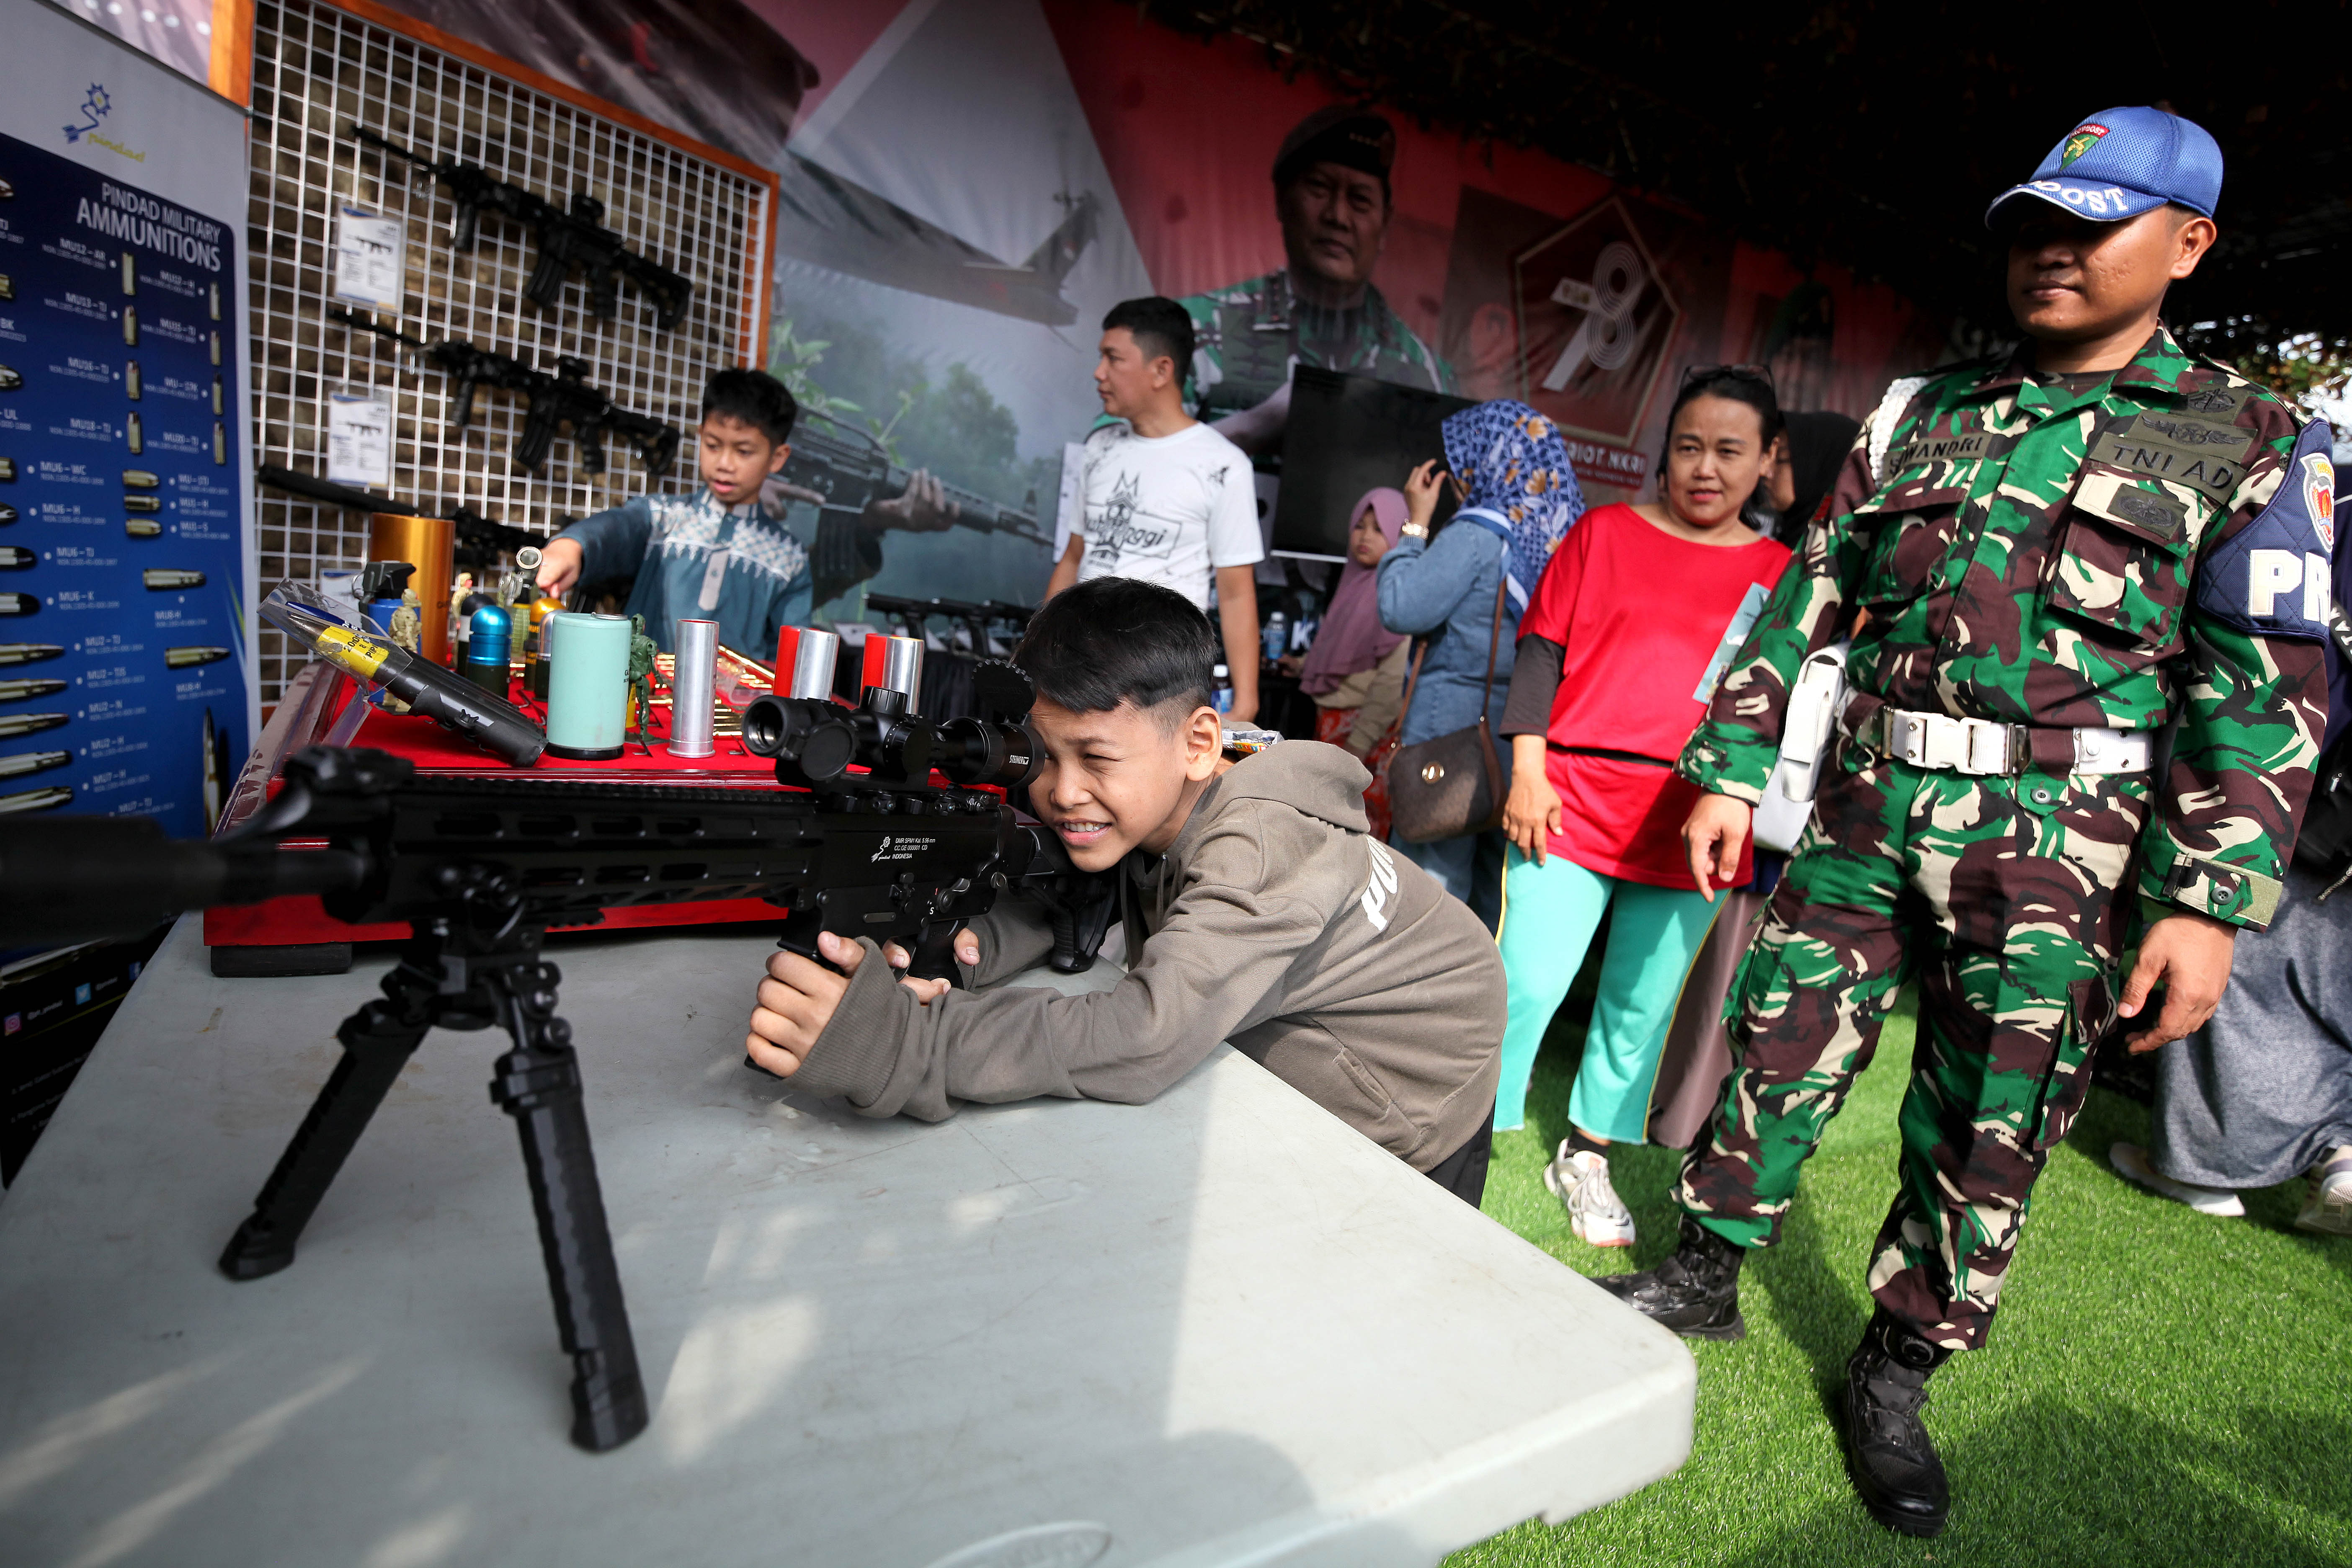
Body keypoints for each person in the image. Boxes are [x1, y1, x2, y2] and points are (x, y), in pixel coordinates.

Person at [1598, 107, 2335, 1539]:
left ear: (2187, 245)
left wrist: (2202, 903)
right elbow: (1809, 587)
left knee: (1990, 1113)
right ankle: (1703, 1266)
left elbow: (2263, 684)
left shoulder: (2245, 439)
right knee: (1777, 1038)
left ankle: (1895, 1366)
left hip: (2067, 839)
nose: (2051, 249)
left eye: (2095, 223)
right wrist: (1730, 762)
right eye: (2034, 223)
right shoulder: (1917, 413)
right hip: (1873, 795)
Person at [740, 576, 1507, 1202]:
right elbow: (1075, 892)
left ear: (1199, 742)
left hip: (1409, 1102)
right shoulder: (1161, 798)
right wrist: (959, 946)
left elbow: (1146, 1034)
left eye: (1097, 758)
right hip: (1302, 1054)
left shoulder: (1263, 845)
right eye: (1042, 758)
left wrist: (905, 1042)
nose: (1063, 791)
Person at [1493, 368, 1792, 1250]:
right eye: (1689, 446)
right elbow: (1541, 655)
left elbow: (1782, 705)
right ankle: (1466, 1121)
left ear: (1769, 460)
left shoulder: (1784, 574)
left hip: (1696, 821)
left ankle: (1586, 1156)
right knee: (1526, 979)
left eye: (1730, 451)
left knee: (1640, 1006)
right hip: (1569, 797)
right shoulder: (1602, 534)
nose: (1705, 468)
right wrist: (1526, 769)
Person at [2112, 526, 2352, 1233]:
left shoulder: (2329, 494)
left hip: (2295, 782)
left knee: (2233, 956)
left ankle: (2201, 1164)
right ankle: (2341, 1152)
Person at [1647, 408, 1864, 1153]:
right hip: (1764, 800)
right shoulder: (1805, 555)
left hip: (1778, 807)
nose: (1770, 471)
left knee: (1734, 971)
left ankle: (1684, 1116)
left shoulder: (1822, 567)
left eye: (1779, 457)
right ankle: (1684, 1112)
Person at [1376, 399, 1583, 931]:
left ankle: (1411, 1002)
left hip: (1452, 732)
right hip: (1524, 739)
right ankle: (1478, 1001)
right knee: (1497, 891)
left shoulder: (1479, 533)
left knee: (1430, 880)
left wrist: (1416, 526)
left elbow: (1402, 606)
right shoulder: (1563, 534)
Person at [1181, 105, 1455, 456]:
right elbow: (1113, 474)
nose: (1338, 216)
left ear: (1385, 224)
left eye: (1360, 200)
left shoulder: (1428, 375)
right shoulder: (1192, 331)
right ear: (1282, 198)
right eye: (1319, 188)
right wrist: (1255, 427)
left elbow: (1437, 507)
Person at [1048, 297, 1266, 722]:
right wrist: (1038, 652)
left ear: (1162, 370)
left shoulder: (1224, 466)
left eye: (1113, 358)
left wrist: (1247, 702)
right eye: (1100, 358)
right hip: (1077, 671)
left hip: (1159, 679)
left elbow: (1237, 592)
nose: (1099, 373)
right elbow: (1073, 558)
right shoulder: (1099, 448)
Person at [535, 369, 811, 655]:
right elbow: (620, 526)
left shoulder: (788, 557)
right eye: (713, 445)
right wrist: (571, 546)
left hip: (735, 700)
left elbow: (792, 657)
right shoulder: (663, 518)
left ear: (777, 457)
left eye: (743, 452)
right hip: (644, 693)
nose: (725, 464)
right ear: (701, 435)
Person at [1294, 487, 1411, 837]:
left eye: (1380, 529)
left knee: (1355, 838)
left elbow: (1390, 685)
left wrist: (1359, 744)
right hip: (1332, 728)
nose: (1365, 537)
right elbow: (1346, 657)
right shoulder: (1353, 585)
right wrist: (1303, 665)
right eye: (1360, 526)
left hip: (1363, 736)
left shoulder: (1396, 597)